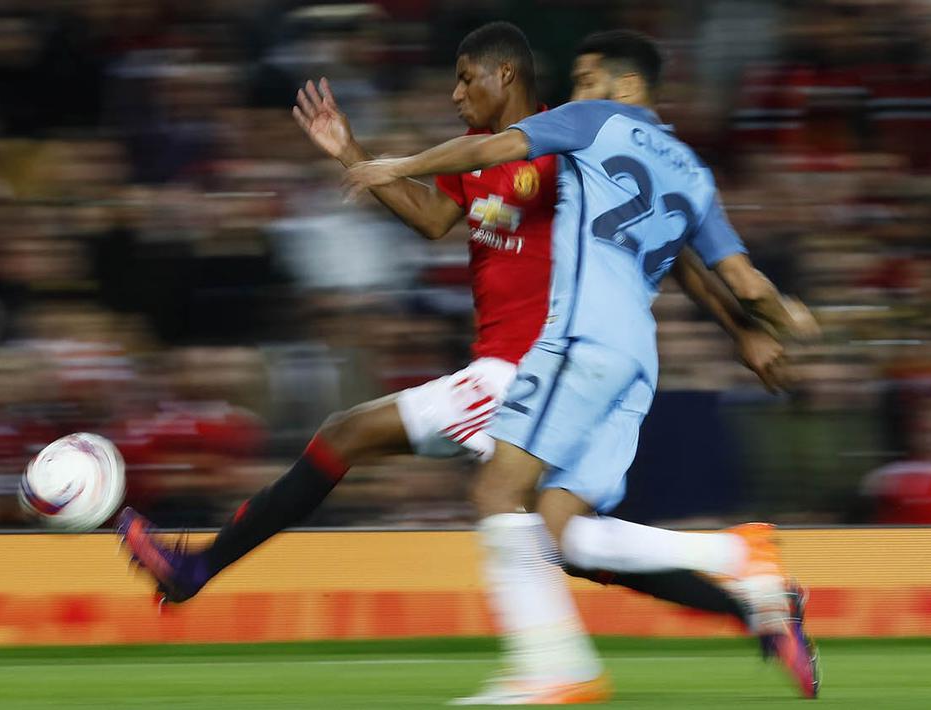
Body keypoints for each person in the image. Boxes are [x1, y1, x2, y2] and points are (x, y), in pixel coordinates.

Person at [118, 22, 796, 701]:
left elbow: (667, 244)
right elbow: (432, 220)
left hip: (528, 364)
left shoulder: (565, 140)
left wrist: (739, 330)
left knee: (354, 437)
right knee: (569, 543)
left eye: (465, 78)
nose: (454, 93)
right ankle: (756, 608)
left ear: (503, 76)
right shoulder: (478, 162)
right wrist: (349, 152)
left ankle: (197, 570)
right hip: (531, 368)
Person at [347, 29, 821, 703]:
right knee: (564, 533)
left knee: (494, 495)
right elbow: (742, 281)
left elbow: (488, 149)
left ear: (625, 86)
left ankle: (555, 667)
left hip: (579, 339)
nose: (575, 92)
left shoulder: (593, 121)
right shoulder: (692, 171)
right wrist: (783, 321)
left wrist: (394, 165)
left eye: (587, 77)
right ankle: (735, 561)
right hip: (636, 363)